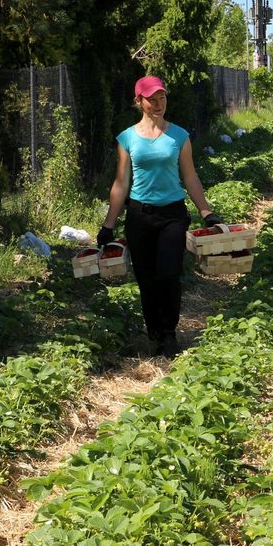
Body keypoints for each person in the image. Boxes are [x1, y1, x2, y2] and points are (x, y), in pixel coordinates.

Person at [97, 75, 223, 358]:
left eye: (162, 98)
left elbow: (190, 177)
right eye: (151, 99)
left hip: (172, 216)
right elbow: (121, 183)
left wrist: (206, 211)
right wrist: (109, 224)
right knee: (146, 279)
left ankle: (169, 333)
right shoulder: (127, 138)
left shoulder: (179, 136)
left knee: (168, 274)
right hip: (140, 217)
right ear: (139, 101)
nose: (158, 104)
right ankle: (153, 333)